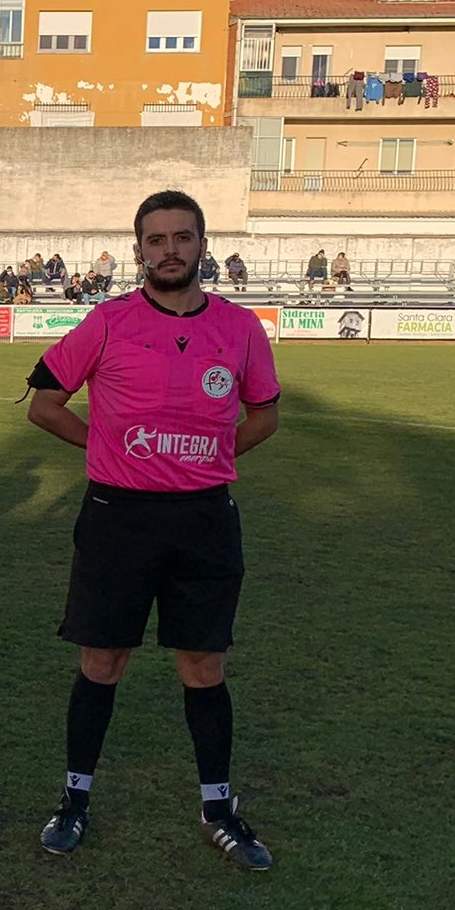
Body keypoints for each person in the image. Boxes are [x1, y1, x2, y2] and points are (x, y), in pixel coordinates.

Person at [24, 188, 281, 869]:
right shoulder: (107, 323)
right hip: (118, 517)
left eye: (182, 237)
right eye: (156, 239)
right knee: (102, 662)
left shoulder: (241, 328)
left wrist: (212, 459)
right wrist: (105, 448)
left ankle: (219, 811)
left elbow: (264, 415)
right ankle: (74, 802)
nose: (169, 249)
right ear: (138, 249)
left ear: (203, 245)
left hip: (204, 518)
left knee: (204, 665)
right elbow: (45, 404)